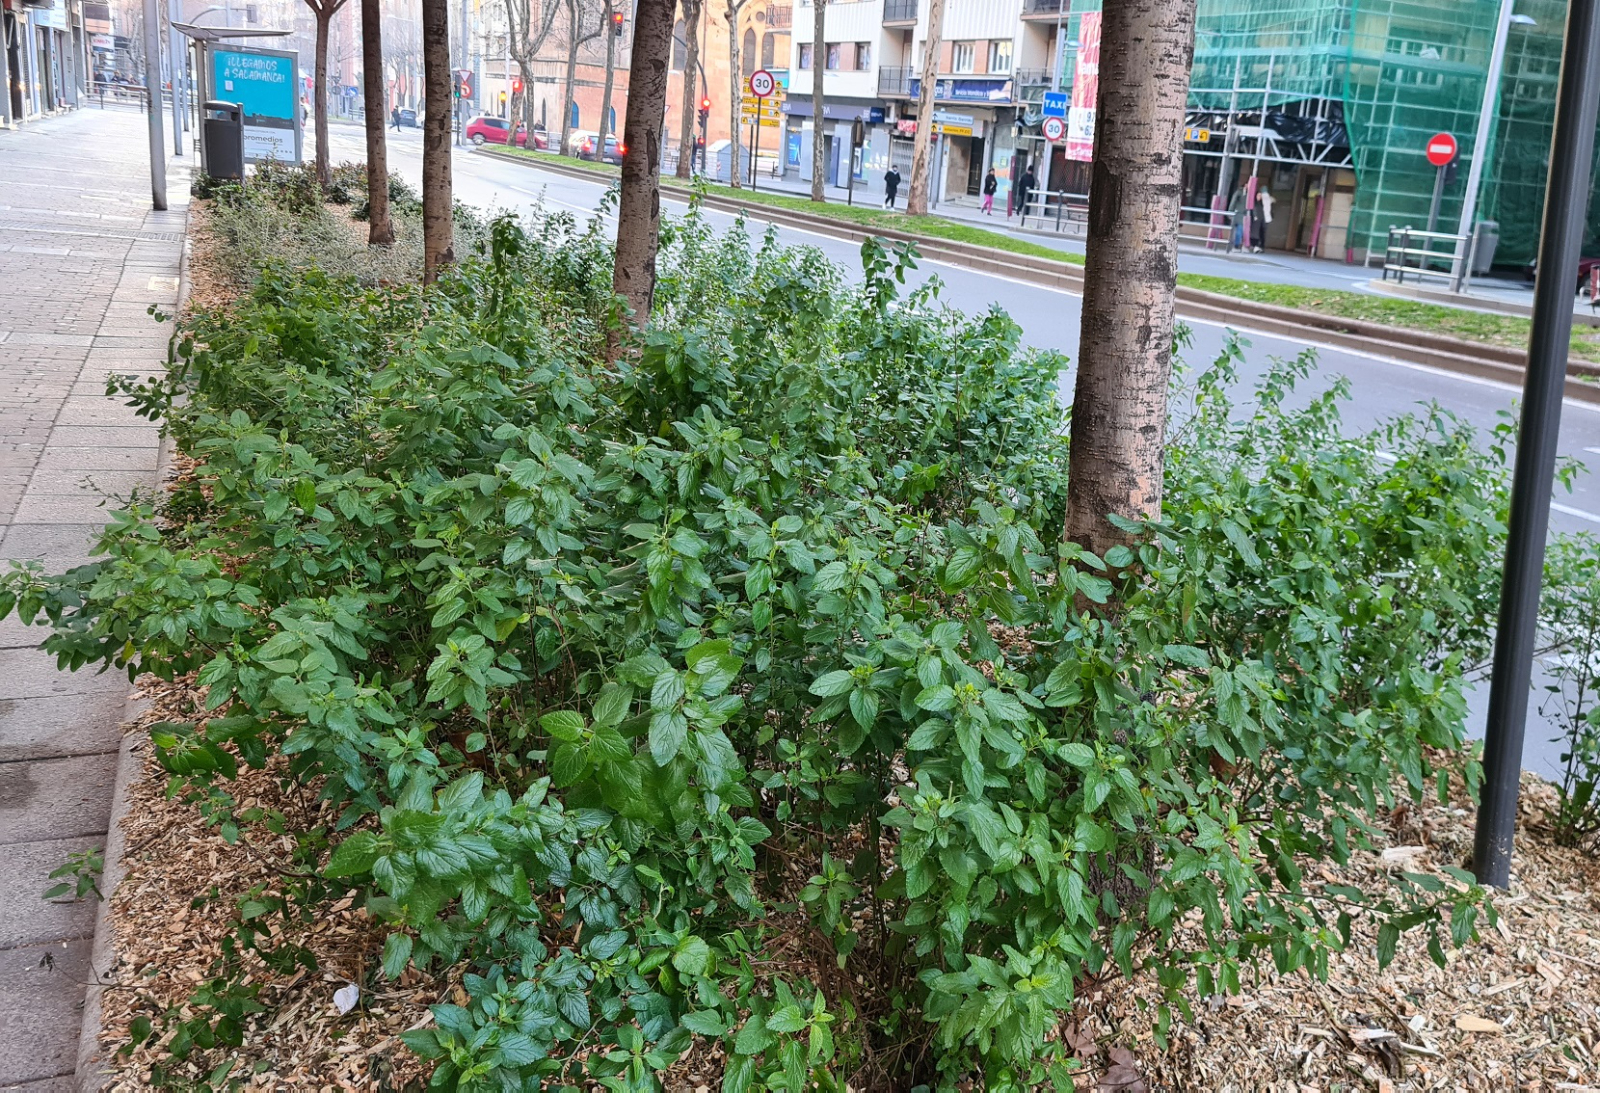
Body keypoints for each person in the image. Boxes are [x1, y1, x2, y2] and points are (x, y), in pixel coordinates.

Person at [1228, 186, 1247, 250]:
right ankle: (1235, 245)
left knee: (1239, 231)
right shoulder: (1239, 192)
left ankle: (1236, 244)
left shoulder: (1248, 193)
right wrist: (1230, 211)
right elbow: (1233, 202)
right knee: (1238, 231)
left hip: (1242, 214)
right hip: (1238, 213)